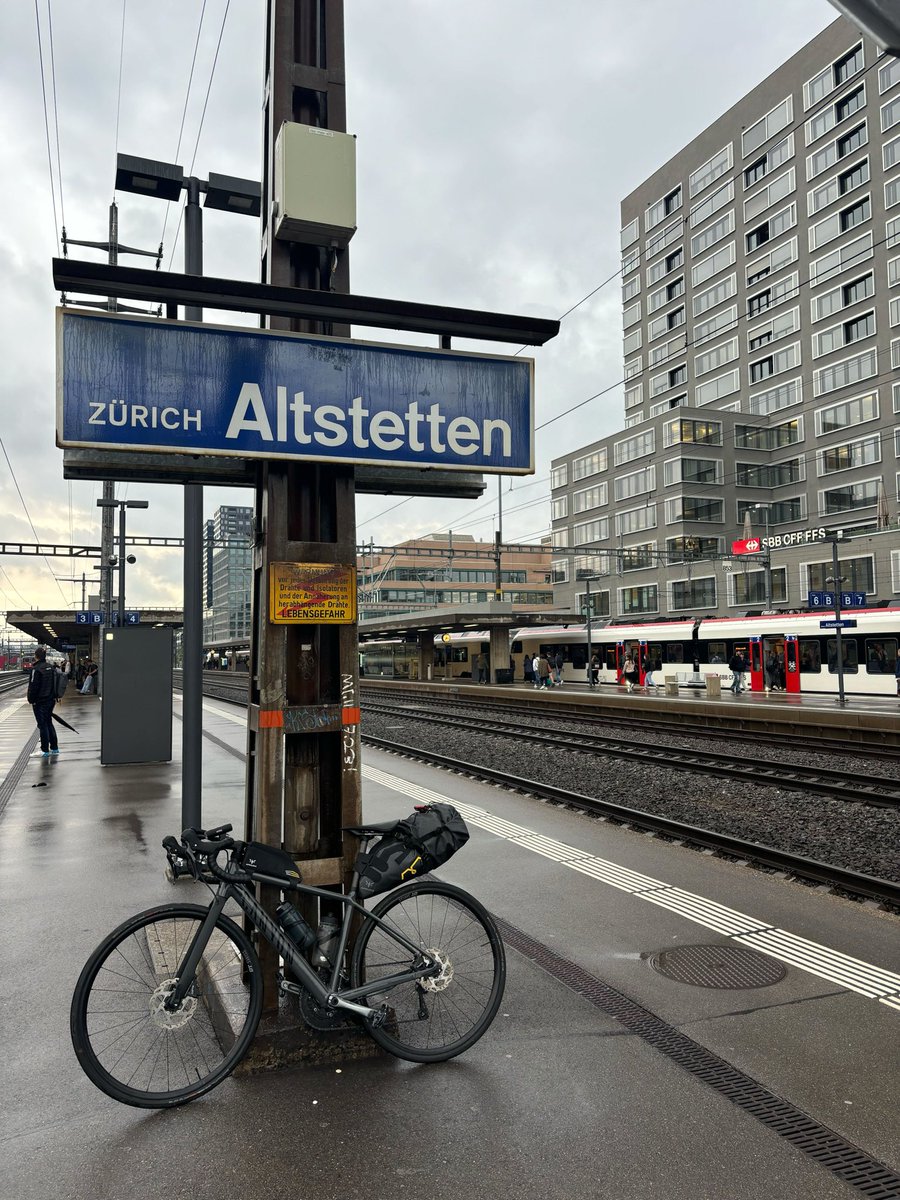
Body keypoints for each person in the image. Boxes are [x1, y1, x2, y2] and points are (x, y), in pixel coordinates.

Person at [27, 647, 59, 756]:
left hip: (39, 701)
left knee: (42, 724)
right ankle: (54, 748)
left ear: (36, 656)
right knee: (49, 722)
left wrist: (31, 700)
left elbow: (33, 686)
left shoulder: (36, 669)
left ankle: (44, 750)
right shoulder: (51, 668)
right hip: (50, 700)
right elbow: (55, 684)